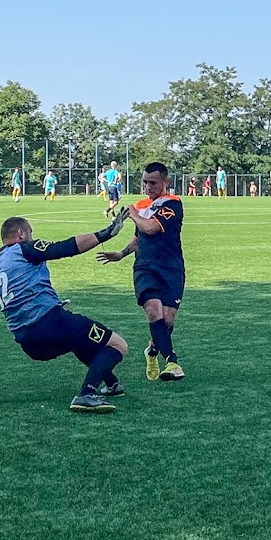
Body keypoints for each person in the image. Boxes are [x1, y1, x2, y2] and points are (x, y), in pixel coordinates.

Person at [0, 213, 130, 412]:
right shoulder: (23, 249)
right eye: (30, 232)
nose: (31, 236)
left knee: (79, 339)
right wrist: (106, 234)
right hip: (48, 323)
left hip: (26, 341)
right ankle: (87, 394)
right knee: (118, 345)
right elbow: (64, 248)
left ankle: (112, 384)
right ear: (21, 233)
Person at [96, 162, 186, 382]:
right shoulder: (142, 205)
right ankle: (172, 362)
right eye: (145, 182)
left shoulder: (173, 204)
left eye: (153, 182)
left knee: (167, 321)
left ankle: (152, 351)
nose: (147, 186)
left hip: (171, 269)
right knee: (154, 311)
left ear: (166, 182)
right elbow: (139, 237)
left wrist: (133, 213)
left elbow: (150, 228)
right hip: (145, 268)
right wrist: (121, 253)